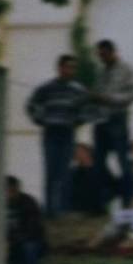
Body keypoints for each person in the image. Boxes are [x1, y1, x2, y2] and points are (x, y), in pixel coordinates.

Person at [26, 54, 88, 217]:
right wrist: (41, 120)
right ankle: (49, 210)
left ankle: (63, 208)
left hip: (67, 133)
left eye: (73, 67)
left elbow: (87, 109)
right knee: (50, 171)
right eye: (68, 67)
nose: (71, 70)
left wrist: (77, 121)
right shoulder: (47, 88)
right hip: (51, 132)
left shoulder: (78, 89)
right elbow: (31, 104)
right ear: (60, 68)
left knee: (65, 172)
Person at [91, 39, 133, 209]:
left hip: (118, 119)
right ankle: (110, 194)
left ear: (112, 52)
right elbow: (97, 94)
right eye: (100, 55)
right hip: (101, 121)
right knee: (98, 163)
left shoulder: (126, 70)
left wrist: (110, 99)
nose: (102, 58)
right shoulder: (100, 72)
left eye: (104, 54)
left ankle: (127, 200)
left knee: (123, 162)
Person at [6, 176, 46, 264]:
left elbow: (32, 229)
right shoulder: (1, 205)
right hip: (12, 241)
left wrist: (14, 240)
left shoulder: (28, 202)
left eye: (11, 190)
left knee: (28, 248)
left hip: (30, 240)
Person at [69, 143, 108, 215]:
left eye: (81, 152)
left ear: (88, 152)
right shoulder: (74, 173)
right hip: (81, 209)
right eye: (77, 153)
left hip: (99, 208)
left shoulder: (100, 170)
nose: (79, 155)